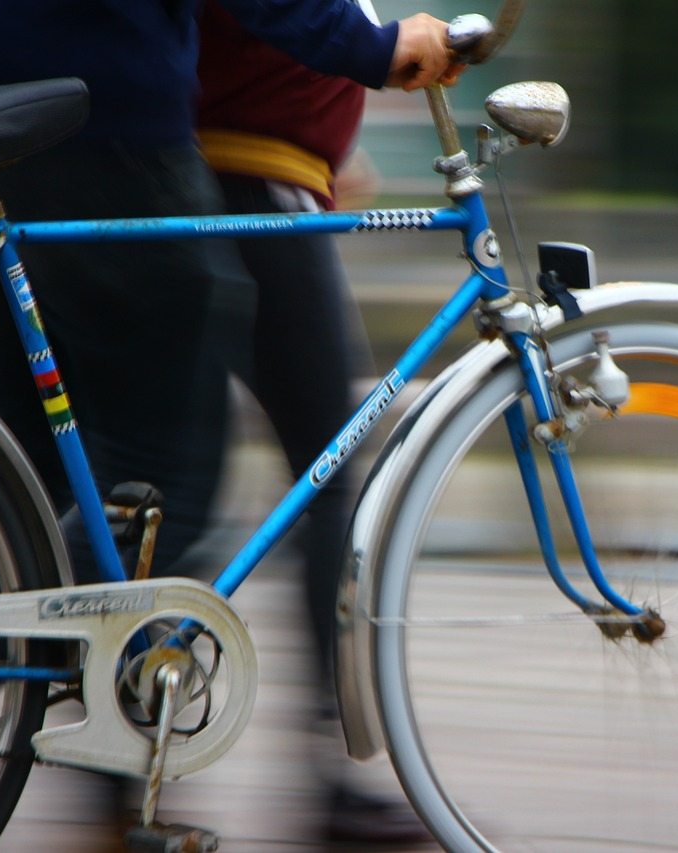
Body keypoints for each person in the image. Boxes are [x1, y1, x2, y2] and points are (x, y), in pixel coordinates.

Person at [0, 0, 460, 847]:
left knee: (18, 472)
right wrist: (371, 49)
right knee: (169, 465)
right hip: (104, 117)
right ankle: (3, 717)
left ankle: (12, 738)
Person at [193, 0, 428, 843]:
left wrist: (330, 140)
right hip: (251, 181)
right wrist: (381, 51)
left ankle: (117, 776)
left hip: (236, 172)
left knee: (172, 476)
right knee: (328, 473)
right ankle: (332, 776)